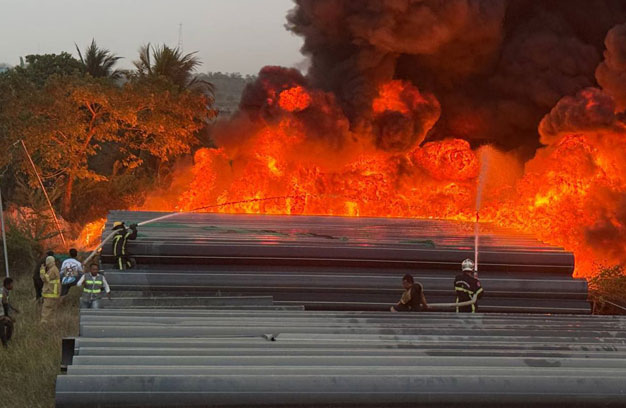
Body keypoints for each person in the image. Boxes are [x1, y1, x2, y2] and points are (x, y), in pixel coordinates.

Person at [40, 255, 60, 324]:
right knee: (52, 310)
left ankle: (44, 323)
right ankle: (51, 324)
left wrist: (42, 270)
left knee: (46, 308)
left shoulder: (52, 270)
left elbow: (44, 279)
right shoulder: (54, 269)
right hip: (53, 293)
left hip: (50, 293)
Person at [0, 278, 18, 348]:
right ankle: (5, 346)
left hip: (1, 314)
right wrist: (5, 316)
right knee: (2, 328)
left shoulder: (4, 292)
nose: (13, 285)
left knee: (9, 324)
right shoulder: (2, 293)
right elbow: (4, 305)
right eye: (11, 284)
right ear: (7, 285)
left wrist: (13, 309)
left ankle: (7, 341)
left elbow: (6, 304)